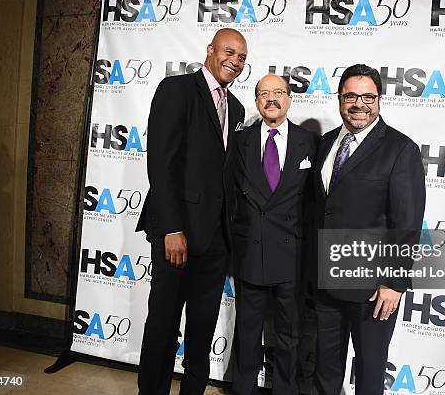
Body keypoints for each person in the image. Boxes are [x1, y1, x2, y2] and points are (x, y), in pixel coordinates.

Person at [135, 28, 248, 395]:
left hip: (216, 242)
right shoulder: (177, 90)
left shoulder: (238, 108)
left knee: (201, 330)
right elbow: (162, 163)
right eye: (229, 52)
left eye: (242, 57)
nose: (235, 61)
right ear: (210, 50)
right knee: (164, 326)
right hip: (177, 235)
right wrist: (170, 228)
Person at [312, 64, 426, 395]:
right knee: (325, 367)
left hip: (373, 288)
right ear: (339, 99)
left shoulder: (400, 149)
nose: (358, 103)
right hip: (325, 281)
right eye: (350, 95)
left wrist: (394, 282)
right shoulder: (327, 143)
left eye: (367, 96)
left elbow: (407, 224)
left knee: (369, 370)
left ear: (379, 99)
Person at [231, 74, 317, 395]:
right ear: (256, 102)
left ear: (289, 99)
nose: (272, 98)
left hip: (292, 257)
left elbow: (314, 203)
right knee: (248, 333)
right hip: (251, 254)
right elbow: (230, 197)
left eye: (278, 92)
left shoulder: (309, 142)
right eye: (264, 93)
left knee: (290, 335)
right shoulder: (241, 142)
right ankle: (242, 390)